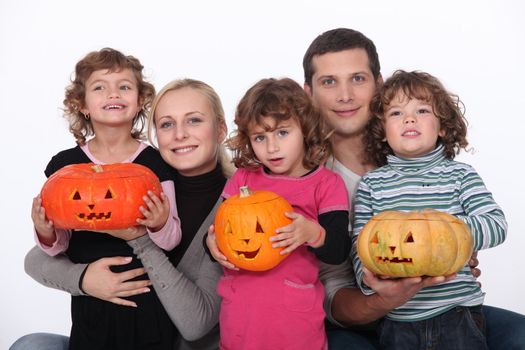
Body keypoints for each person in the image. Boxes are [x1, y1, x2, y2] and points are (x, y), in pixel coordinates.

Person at [302, 27, 525, 350]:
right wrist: (380, 293)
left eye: (358, 79)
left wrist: (448, 243)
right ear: (309, 92)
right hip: (372, 319)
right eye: (329, 82)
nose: (345, 95)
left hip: (452, 310)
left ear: (379, 85)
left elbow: (485, 224)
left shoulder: (435, 163)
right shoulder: (312, 179)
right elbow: (339, 284)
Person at [10, 78, 232, 349]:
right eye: (166, 124)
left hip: (167, 343)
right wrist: (84, 279)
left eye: (194, 120)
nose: (179, 134)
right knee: (30, 345)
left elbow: (195, 323)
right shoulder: (142, 184)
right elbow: (35, 260)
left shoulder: (233, 206)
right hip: (105, 335)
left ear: (220, 129)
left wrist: (138, 239)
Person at [30, 47, 184, 350]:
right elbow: (58, 246)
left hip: (148, 305)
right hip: (91, 304)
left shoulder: (155, 164)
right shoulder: (64, 167)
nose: (113, 94)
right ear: (82, 104)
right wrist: (46, 232)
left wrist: (160, 222)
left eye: (124, 87)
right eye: (100, 87)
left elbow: (172, 239)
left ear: (140, 101)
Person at [351, 69, 507, 349]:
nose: (409, 118)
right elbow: (361, 242)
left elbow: (495, 224)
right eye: (396, 113)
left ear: (443, 126)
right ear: (383, 131)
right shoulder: (372, 185)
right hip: (397, 320)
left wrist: (442, 234)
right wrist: (370, 280)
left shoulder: (460, 175)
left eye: (422, 110)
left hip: (457, 315)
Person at [205, 77, 351, 349]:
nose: (271, 147)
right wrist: (210, 244)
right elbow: (218, 230)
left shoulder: (326, 184)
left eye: (282, 133)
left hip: (296, 327)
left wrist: (313, 233)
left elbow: (339, 249)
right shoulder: (243, 180)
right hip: (239, 322)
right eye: (260, 137)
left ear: (305, 129)